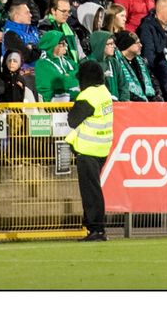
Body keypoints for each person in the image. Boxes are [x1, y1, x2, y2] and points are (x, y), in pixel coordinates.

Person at [65, 60, 113, 242]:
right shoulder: (104, 92)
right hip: (102, 148)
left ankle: (96, 229)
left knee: (90, 191)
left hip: (88, 149)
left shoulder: (88, 95)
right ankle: (94, 228)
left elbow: (72, 120)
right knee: (94, 188)